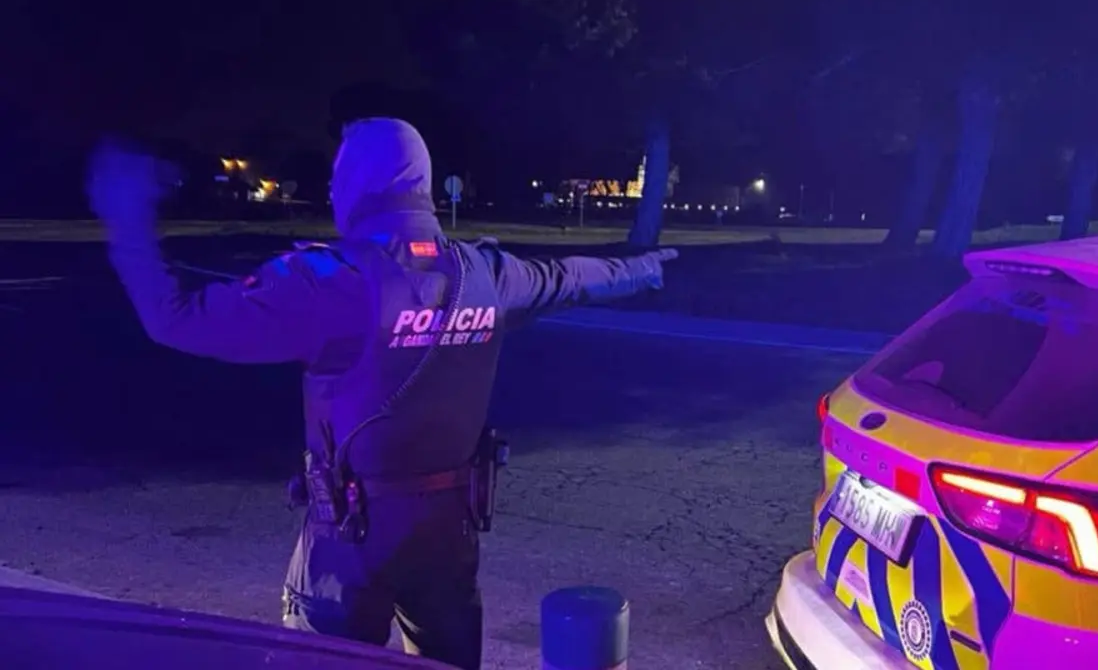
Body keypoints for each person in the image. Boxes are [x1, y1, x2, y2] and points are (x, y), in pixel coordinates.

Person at [86, 118, 678, 670]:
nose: (332, 186)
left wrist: (126, 213)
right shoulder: (485, 274)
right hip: (448, 535)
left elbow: (174, 318)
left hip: (351, 541)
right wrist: (644, 268)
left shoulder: (328, 281)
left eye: (339, 174)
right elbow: (570, 277)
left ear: (357, 184)